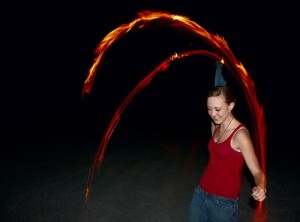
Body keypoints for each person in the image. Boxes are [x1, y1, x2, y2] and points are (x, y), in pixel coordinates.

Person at [187, 86, 267, 222]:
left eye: (217, 109)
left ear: (231, 105)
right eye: (209, 109)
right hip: (201, 193)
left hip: (223, 202)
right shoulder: (215, 124)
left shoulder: (240, 135)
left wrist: (261, 186)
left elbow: (257, 172)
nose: (212, 114)